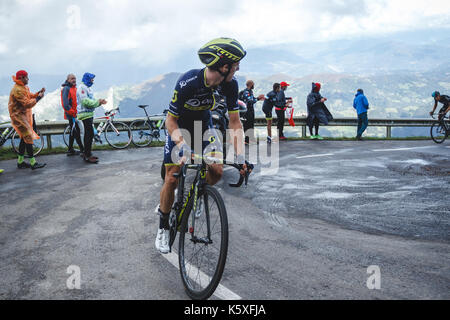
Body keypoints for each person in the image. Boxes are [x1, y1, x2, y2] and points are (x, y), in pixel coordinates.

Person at [155, 37, 250, 254]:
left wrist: (241, 158)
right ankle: (162, 227)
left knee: (216, 171)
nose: (237, 69)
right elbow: (170, 120)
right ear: (224, 66)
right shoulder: (188, 81)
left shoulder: (230, 85)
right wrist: (183, 146)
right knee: (172, 176)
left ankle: (196, 195)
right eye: (235, 65)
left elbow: (235, 123)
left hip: (204, 128)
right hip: (180, 128)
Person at [8, 70, 46, 170]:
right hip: (18, 117)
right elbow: (27, 104)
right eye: (26, 77)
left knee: (24, 138)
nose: (28, 79)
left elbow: (29, 96)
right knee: (28, 137)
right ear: (21, 78)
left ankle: (20, 162)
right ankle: (33, 163)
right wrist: (38, 98)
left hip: (22, 116)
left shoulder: (22, 87)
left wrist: (38, 94)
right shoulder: (18, 90)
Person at [77, 72, 107, 164]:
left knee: (89, 135)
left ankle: (88, 153)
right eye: (92, 80)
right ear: (87, 79)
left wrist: (99, 101)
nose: (93, 81)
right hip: (84, 114)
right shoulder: (82, 88)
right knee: (88, 135)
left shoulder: (87, 88)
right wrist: (98, 102)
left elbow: (92, 100)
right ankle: (87, 155)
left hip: (89, 114)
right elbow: (85, 102)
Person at [61, 74, 84, 156]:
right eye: (72, 79)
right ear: (67, 80)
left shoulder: (74, 88)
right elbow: (65, 103)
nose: (74, 80)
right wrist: (72, 112)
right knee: (76, 131)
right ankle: (82, 149)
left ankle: (70, 149)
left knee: (73, 130)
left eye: (75, 78)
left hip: (75, 113)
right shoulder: (66, 89)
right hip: (71, 114)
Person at [241, 80, 264, 144]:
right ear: (250, 84)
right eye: (253, 84)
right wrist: (258, 98)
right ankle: (247, 140)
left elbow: (253, 99)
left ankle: (251, 139)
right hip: (247, 111)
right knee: (247, 125)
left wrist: (258, 98)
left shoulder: (250, 91)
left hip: (250, 110)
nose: (254, 86)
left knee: (251, 124)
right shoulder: (246, 92)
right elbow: (250, 101)